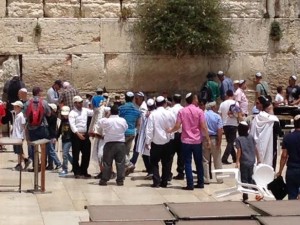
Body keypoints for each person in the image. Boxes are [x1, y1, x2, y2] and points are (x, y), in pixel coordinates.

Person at [168, 93, 210, 190]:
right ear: (193, 99)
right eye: (196, 98)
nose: (197, 100)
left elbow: (178, 126)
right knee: (198, 162)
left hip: (186, 141)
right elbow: (203, 127)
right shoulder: (199, 111)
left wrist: (170, 130)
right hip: (197, 141)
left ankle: (190, 184)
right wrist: (207, 139)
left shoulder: (182, 111)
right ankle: (200, 182)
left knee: (187, 162)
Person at [146, 96, 176, 188]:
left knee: (154, 162)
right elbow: (175, 125)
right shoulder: (169, 113)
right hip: (167, 141)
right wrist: (172, 134)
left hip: (156, 142)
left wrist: (148, 141)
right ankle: (164, 181)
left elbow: (149, 129)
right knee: (166, 162)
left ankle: (156, 181)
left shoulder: (153, 115)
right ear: (164, 103)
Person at [99, 105, 128, 186]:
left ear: (110, 112)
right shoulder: (122, 120)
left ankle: (104, 179)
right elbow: (125, 128)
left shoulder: (106, 121)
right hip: (120, 143)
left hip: (109, 144)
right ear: (118, 112)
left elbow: (99, 122)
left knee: (107, 163)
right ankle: (120, 180)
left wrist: (107, 115)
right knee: (120, 162)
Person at [24, 87, 51, 171]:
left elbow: (25, 115)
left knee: (33, 147)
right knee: (44, 146)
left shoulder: (28, 103)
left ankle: (35, 166)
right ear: (38, 93)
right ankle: (43, 165)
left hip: (31, 128)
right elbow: (49, 114)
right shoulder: (44, 102)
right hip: (42, 127)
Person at [250, 96, 280, 169]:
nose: (255, 104)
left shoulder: (255, 119)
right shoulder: (273, 120)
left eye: (257, 103)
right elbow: (279, 132)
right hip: (270, 147)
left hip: (259, 147)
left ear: (262, 105)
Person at [69, 96, 93, 178]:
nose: (81, 104)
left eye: (81, 102)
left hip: (85, 134)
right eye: (79, 102)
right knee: (76, 154)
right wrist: (78, 134)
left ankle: (84, 170)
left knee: (86, 153)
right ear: (75, 103)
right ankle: (76, 171)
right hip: (76, 135)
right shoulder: (72, 113)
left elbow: (94, 112)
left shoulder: (85, 110)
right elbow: (72, 125)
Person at [235, 121, 260, 202]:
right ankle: (257, 192)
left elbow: (239, 150)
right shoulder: (251, 137)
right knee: (251, 177)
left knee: (244, 179)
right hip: (251, 160)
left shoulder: (238, 139)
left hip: (244, 161)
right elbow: (255, 148)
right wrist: (258, 158)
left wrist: (237, 161)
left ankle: (245, 195)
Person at [277, 115, 300, 200]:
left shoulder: (288, 137)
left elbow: (284, 156)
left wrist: (280, 171)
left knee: (292, 195)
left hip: (292, 169)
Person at [119, 91, 141, 175]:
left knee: (121, 151)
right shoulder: (137, 110)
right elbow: (138, 124)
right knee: (127, 152)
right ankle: (125, 170)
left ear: (125, 98)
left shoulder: (121, 108)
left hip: (123, 133)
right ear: (132, 99)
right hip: (132, 132)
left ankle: (129, 164)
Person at [203, 101, 223, 184]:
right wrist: (219, 142)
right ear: (212, 107)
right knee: (217, 159)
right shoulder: (217, 116)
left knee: (205, 160)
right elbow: (220, 130)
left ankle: (206, 179)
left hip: (204, 139)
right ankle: (219, 178)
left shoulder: (203, 115)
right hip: (214, 139)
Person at [135, 98, 156, 179]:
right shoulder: (153, 114)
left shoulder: (146, 115)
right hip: (155, 137)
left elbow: (141, 124)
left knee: (146, 155)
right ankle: (152, 171)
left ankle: (151, 171)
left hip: (148, 137)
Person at [218, 90, 240, 164]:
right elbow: (238, 113)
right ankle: (224, 158)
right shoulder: (235, 103)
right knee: (231, 142)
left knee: (229, 142)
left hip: (225, 124)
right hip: (233, 124)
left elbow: (220, 115)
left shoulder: (222, 104)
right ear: (232, 95)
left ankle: (234, 157)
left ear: (226, 95)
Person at [169, 94, 184, 180]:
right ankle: (181, 172)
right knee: (181, 154)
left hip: (173, 134)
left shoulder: (171, 110)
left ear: (173, 101)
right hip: (182, 134)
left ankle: (168, 172)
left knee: (170, 155)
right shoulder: (183, 109)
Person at [10, 101, 29, 171]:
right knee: (17, 151)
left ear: (19, 107)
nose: (14, 107)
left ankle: (24, 161)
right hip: (15, 135)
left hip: (19, 136)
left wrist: (24, 136)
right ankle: (20, 163)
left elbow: (23, 126)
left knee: (19, 151)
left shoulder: (21, 116)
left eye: (15, 106)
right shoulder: (16, 115)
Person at [56, 106, 73, 176]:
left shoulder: (71, 120)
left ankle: (65, 169)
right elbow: (60, 129)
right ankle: (75, 164)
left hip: (70, 139)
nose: (65, 116)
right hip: (64, 138)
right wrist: (56, 136)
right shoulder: (63, 120)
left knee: (64, 154)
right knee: (66, 154)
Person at [46, 103, 62, 170]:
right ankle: (50, 165)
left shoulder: (52, 116)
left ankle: (58, 163)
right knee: (49, 151)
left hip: (51, 135)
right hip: (52, 135)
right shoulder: (53, 116)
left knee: (51, 150)